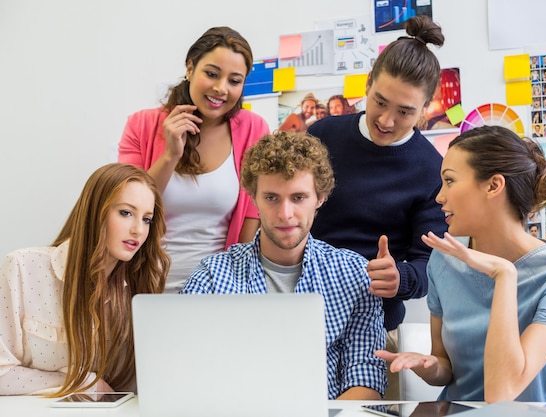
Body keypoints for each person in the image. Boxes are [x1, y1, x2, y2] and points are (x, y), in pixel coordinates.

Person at [376, 125, 546, 402]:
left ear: (493, 185)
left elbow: (501, 395)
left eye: (449, 181)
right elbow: (446, 367)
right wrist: (430, 367)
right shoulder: (443, 260)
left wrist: (504, 275)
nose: (440, 197)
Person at [180, 131, 387, 400]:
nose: (285, 214)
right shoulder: (212, 276)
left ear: (320, 198)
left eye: (298, 198)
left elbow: (366, 377)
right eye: (271, 198)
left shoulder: (353, 274)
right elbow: (187, 369)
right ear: (253, 199)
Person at [307, 16, 448, 399]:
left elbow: (428, 266)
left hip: (371, 321)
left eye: (404, 111)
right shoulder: (322, 135)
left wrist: (399, 278)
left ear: (425, 108)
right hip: (300, 311)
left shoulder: (429, 169)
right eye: (379, 102)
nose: (386, 120)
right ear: (367, 84)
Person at [118, 27, 270, 292]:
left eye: (234, 81)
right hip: (143, 283)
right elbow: (125, 208)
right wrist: (170, 156)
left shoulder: (253, 129)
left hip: (218, 287)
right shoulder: (141, 125)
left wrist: (234, 287)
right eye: (211, 74)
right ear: (190, 68)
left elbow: (251, 217)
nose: (221, 88)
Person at [0, 163, 170, 396]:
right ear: (95, 211)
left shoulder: (138, 290)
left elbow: (136, 388)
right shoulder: (22, 268)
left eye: (147, 219)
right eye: (126, 213)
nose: (138, 230)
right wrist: (84, 383)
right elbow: (2, 374)